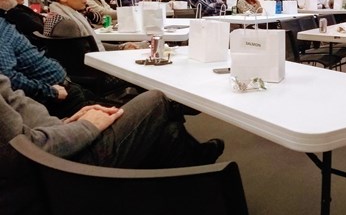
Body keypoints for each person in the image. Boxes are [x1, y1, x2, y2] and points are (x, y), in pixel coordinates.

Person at [0, 74, 225, 214]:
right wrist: (87, 127)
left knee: (166, 131)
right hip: (55, 172)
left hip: (54, 140)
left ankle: (195, 184)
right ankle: (196, 160)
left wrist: (67, 123)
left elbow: (19, 115)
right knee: (156, 100)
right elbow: (18, 152)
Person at [0, 0, 91, 118]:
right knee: (148, 107)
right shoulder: (3, 25)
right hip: (61, 100)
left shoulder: (5, 19)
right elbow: (6, 78)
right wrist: (50, 92)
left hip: (68, 88)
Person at [44, 0, 140, 51]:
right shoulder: (67, 25)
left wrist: (121, 47)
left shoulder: (59, 15)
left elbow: (90, 46)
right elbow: (84, 60)